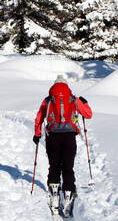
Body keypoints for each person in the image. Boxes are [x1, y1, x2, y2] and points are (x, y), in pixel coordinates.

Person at [33, 74, 92, 205]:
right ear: (66, 86)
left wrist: (37, 135)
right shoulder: (73, 98)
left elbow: (39, 118)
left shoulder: (48, 100)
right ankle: (68, 195)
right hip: (69, 136)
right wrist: (85, 102)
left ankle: (54, 193)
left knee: (54, 165)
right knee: (68, 166)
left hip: (52, 136)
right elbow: (88, 115)